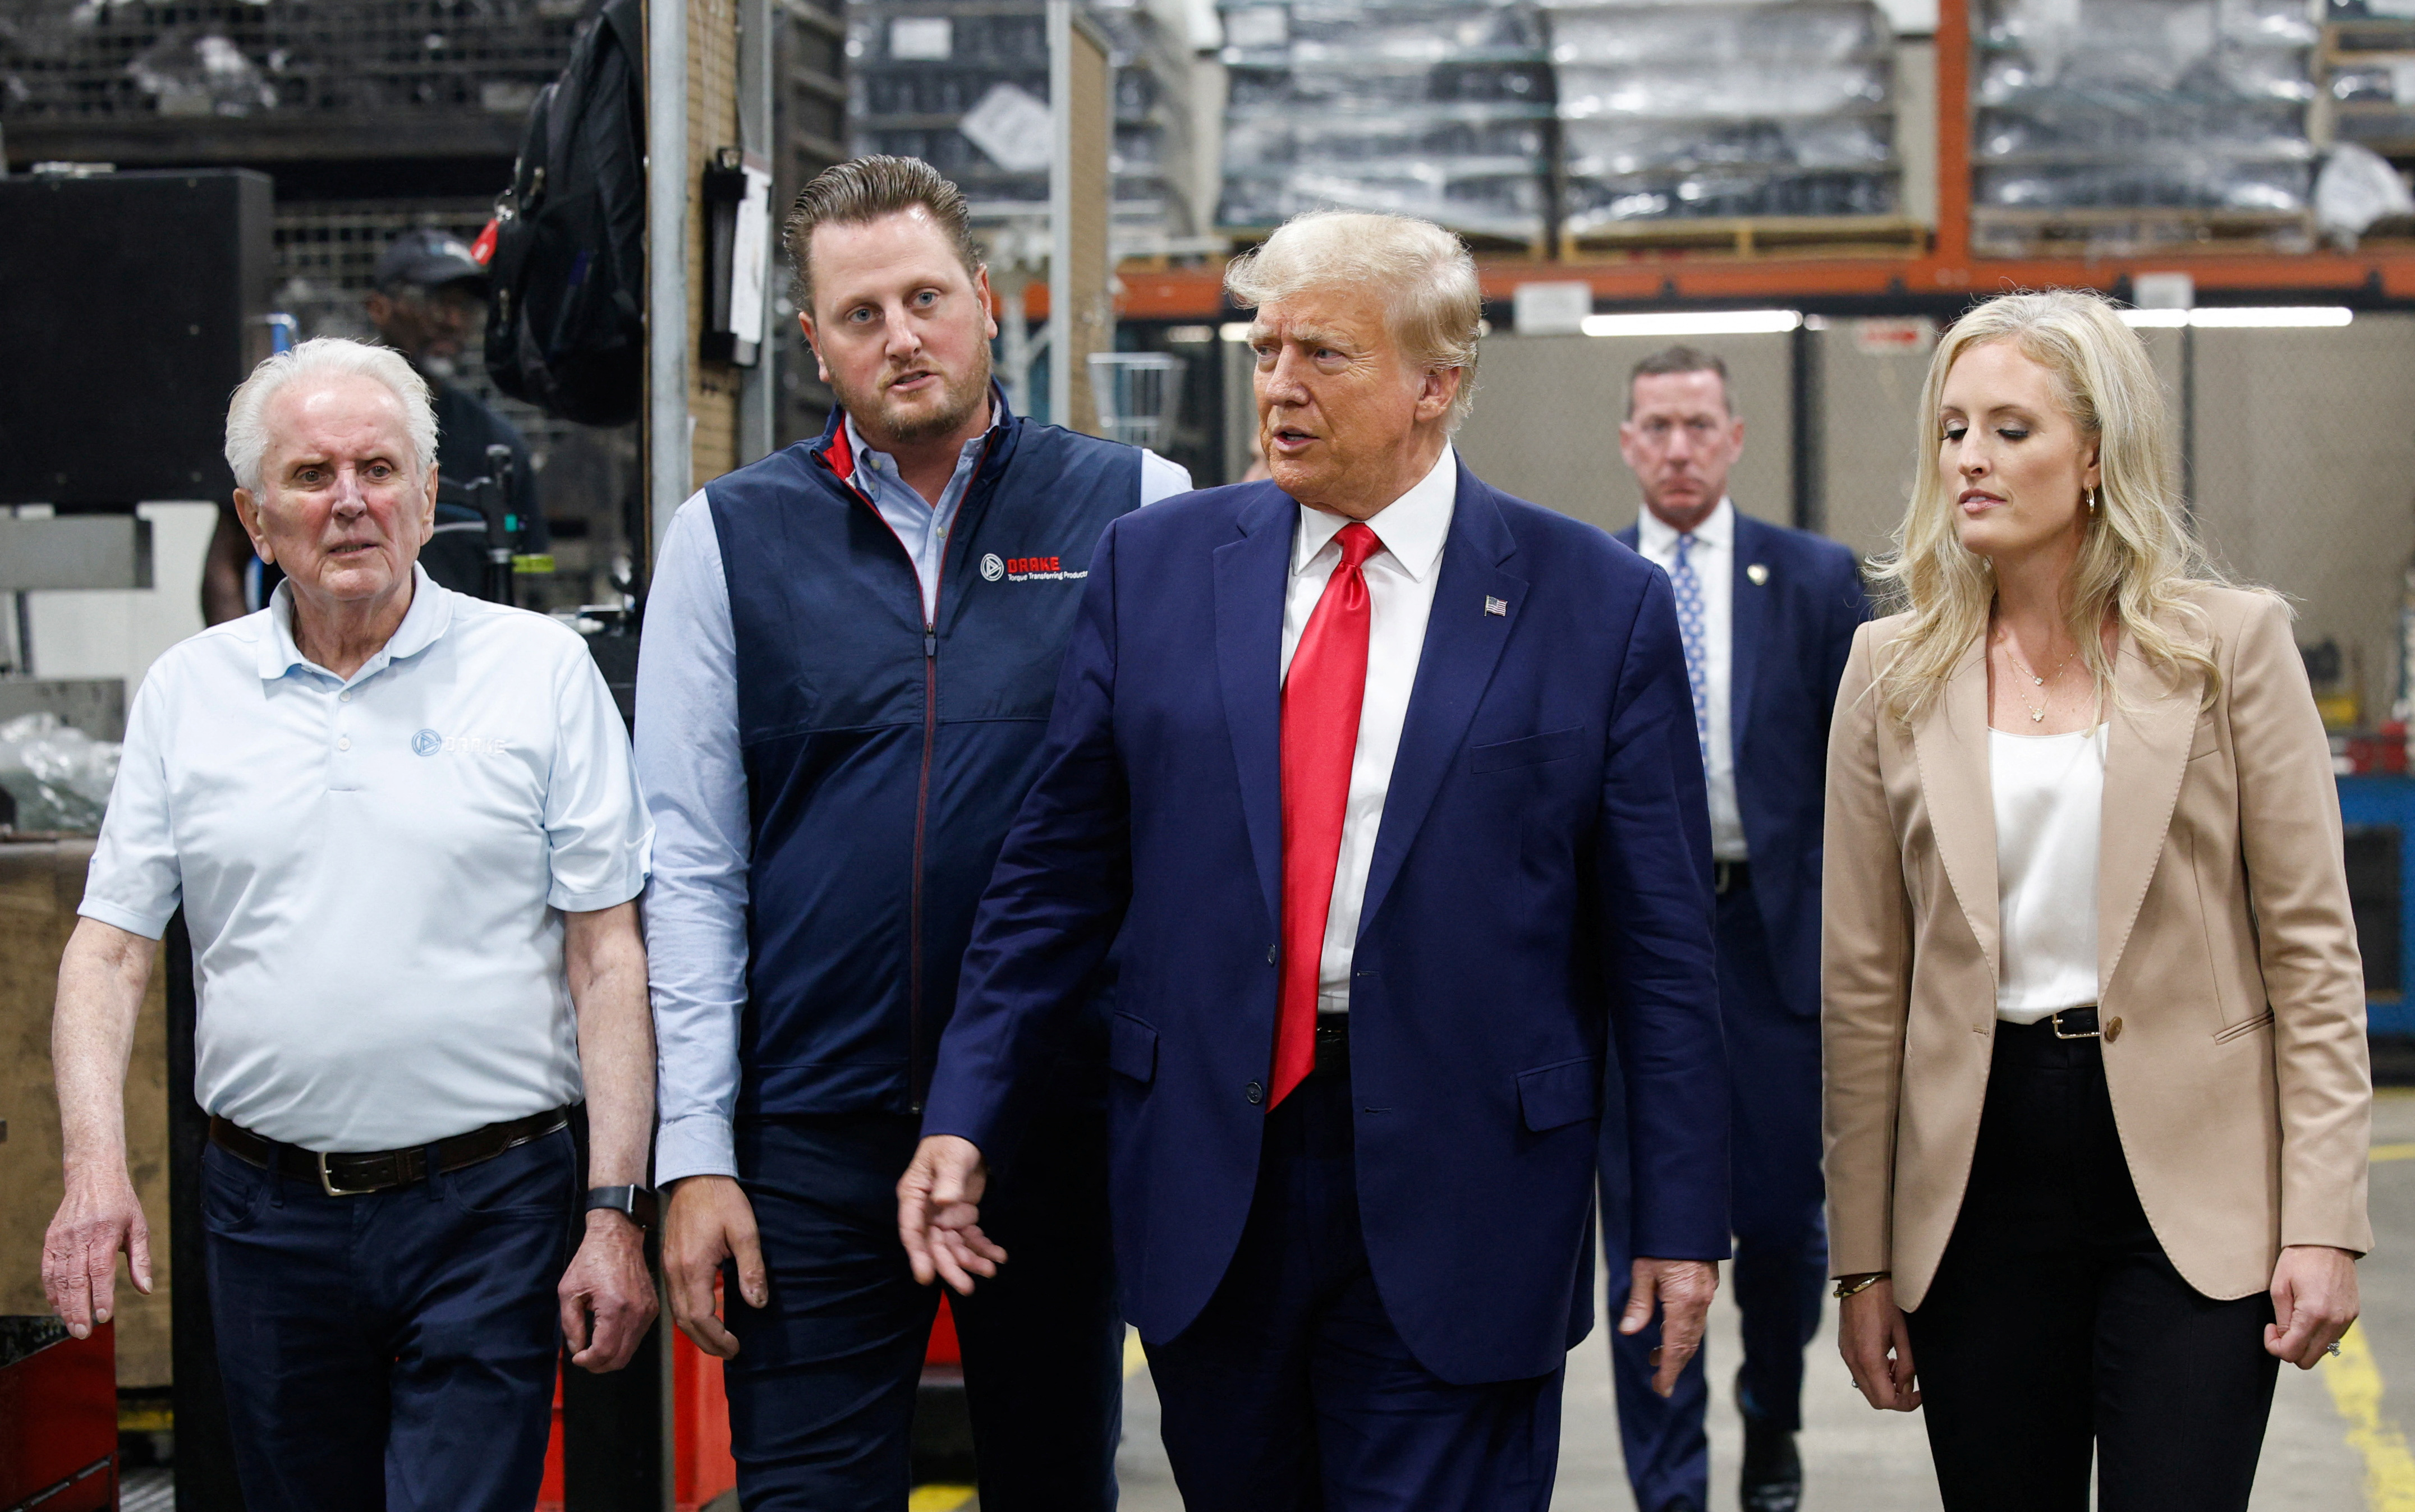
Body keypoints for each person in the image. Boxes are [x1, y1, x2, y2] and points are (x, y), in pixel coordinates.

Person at [897, 209, 1731, 1511]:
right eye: (1264, 347)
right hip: (1212, 1178)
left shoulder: (1590, 603)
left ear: (1433, 386)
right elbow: (1051, 881)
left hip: (1468, 1187)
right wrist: (964, 1106)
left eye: (1322, 355)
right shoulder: (1155, 568)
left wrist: (1678, 1219)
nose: (1276, 385)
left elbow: (1663, 951)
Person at [635, 155, 1191, 1510]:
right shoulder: (725, 539)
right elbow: (691, 867)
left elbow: (1190, 843)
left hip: (1049, 1128)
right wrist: (694, 1155)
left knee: (1060, 1484)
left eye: (925, 297)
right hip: (811, 1134)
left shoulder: (1137, 509)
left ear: (986, 303)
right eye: (861, 313)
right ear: (814, 343)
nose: (902, 336)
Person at [43, 337, 658, 1511]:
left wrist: (612, 1211)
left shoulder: (536, 675)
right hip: (268, 1216)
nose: (350, 502)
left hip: (491, 1206)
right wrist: (94, 1168)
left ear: (428, 499)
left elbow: (607, 953)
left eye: (379, 469)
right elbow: (110, 948)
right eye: (311, 475)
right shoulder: (190, 693)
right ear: (253, 515)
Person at [1824, 289, 2370, 1511]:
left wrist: (2323, 1219)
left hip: (2193, 1173)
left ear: (2095, 457)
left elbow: (2312, 957)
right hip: (1974, 1182)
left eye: (2010, 429)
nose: (1969, 457)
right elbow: (1864, 989)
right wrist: (1861, 1264)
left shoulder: (2229, 647)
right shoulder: (1888, 670)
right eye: (1953, 429)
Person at [1609, 348, 1868, 1512]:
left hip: (1767, 943)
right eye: (1656, 426)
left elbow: (1862, 780)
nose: (1677, 447)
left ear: (1735, 437)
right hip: (1627, 951)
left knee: (1776, 1224)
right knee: (1644, 1235)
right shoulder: (1584, 578)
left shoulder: (1812, 583)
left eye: (1697, 426)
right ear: (1627, 442)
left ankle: (1771, 1415)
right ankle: (1670, 1486)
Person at [203, 229, 548, 622]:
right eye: (433, 303)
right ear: (379, 308)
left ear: (428, 490)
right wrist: (249, 666)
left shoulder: (496, 441)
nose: (452, 320)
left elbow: (533, 570)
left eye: (464, 307)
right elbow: (224, 566)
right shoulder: (288, 427)